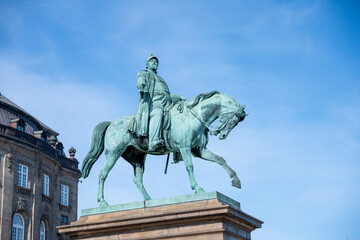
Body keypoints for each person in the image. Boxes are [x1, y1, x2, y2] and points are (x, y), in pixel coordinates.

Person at [128, 53, 184, 151]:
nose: (155, 63)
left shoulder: (161, 79)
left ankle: (178, 149)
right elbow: (140, 81)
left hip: (166, 104)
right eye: (152, 61)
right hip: (154, 104)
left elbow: (168, 94)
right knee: (157, 113)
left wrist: (180, 97)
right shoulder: (144, 73)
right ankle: (153, 141)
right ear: (147, 64)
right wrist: (142, 84)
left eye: (156, 62)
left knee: (177, 117)